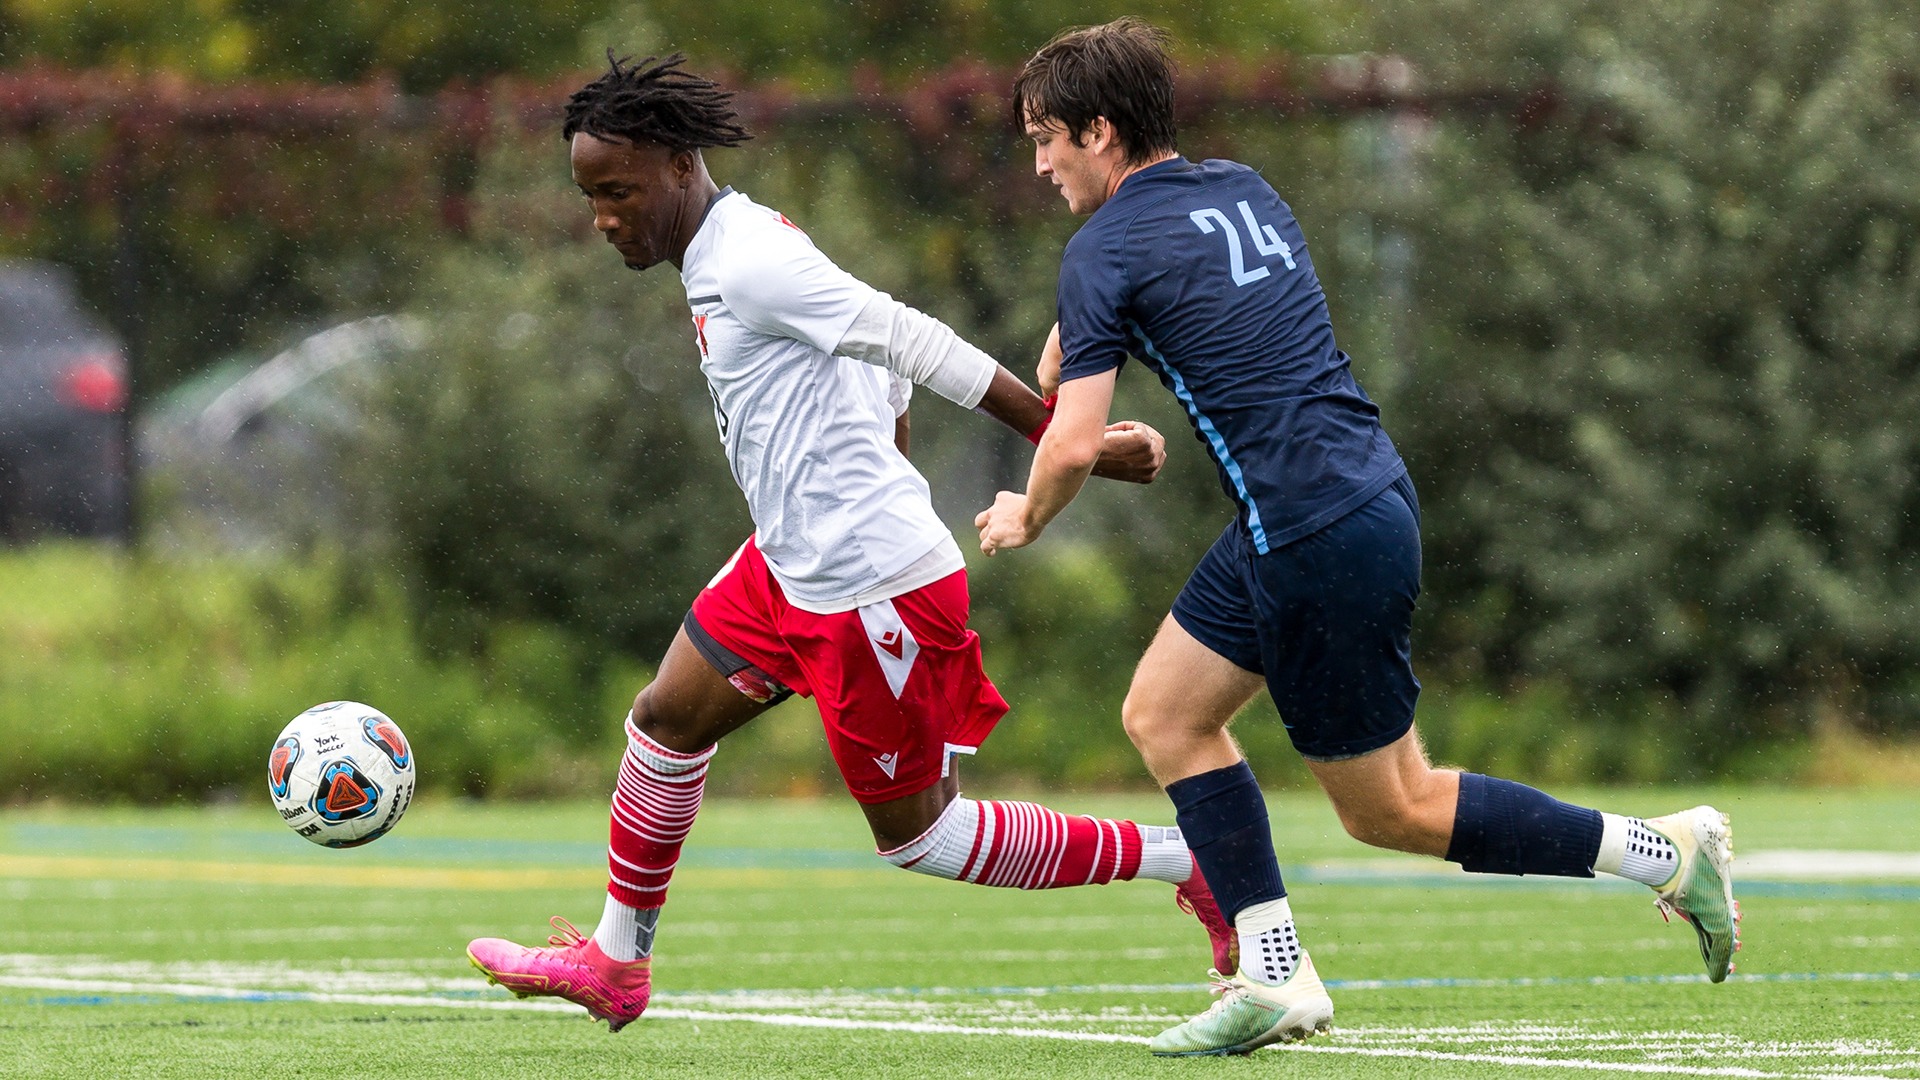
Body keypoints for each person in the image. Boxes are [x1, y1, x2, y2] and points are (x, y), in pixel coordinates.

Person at [975, 18, 1740, 1057]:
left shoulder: (1104, 247)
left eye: (1047, 139)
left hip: (1308, 534)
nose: (1040, 162)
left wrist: (1026, 511)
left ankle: (1666, 852)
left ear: (1101, 131)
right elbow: (1150, 317)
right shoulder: (1242, 188)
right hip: (1349, 497)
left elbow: (1067, 451)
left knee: (1395, 809)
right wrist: (1076, 334)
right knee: (1164, 712)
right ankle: (1271, 971)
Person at [465, 52, 1240, 1033]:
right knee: (665, 723)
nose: (604, 219)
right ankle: (615, 966)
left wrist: (1062, 441)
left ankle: (1191, 859)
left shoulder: (748, 258)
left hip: (869, 588)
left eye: (616, 192)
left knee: (926, 839)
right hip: (788, 567)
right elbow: (861, 356)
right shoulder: (725, 248)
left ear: (675, 165)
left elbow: (910, 339)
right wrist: (886, 428)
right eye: (589, 199)